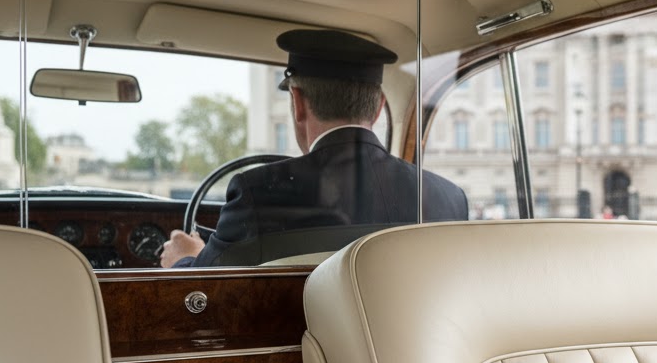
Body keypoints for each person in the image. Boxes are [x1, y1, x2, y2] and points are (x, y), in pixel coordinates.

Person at [161, 29, 468, 267]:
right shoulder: (448, 198)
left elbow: (203, 293)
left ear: (297, 103)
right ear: (378, 110)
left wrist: (185, 259)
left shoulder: (256, 192)